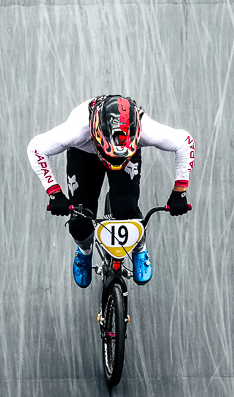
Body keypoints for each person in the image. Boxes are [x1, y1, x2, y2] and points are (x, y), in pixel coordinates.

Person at [27, 94, 193, 287]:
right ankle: (84, 250)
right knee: (80, 222)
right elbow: (36, 148)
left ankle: (139, 248)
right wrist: (54, 192)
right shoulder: (76, 131)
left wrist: (179, 191)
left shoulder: (147, 129)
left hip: (127, 155)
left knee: (128, 211)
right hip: (84, 153)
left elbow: (184, 142)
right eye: (111, 156)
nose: (114, 163)